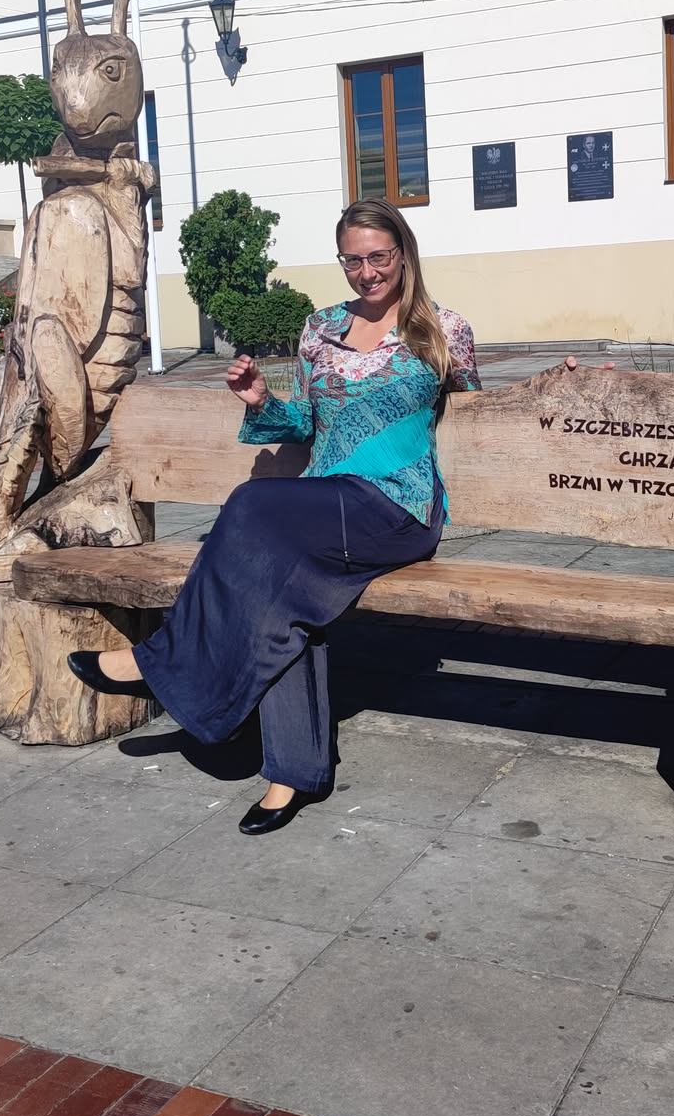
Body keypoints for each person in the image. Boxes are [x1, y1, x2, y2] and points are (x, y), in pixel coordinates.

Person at [68, 197, 480, 834]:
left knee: (251, 502)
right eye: (352, 261)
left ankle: (162, 664)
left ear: (403, 254)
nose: (367, 272)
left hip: (398, 507)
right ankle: (293, 773)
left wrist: (563, 386)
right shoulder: (320, 329)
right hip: (324, 503)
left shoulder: (443, 330)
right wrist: (261, 401)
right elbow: (306, 422)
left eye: (378, 257)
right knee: (281, 596)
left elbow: (482, 417)